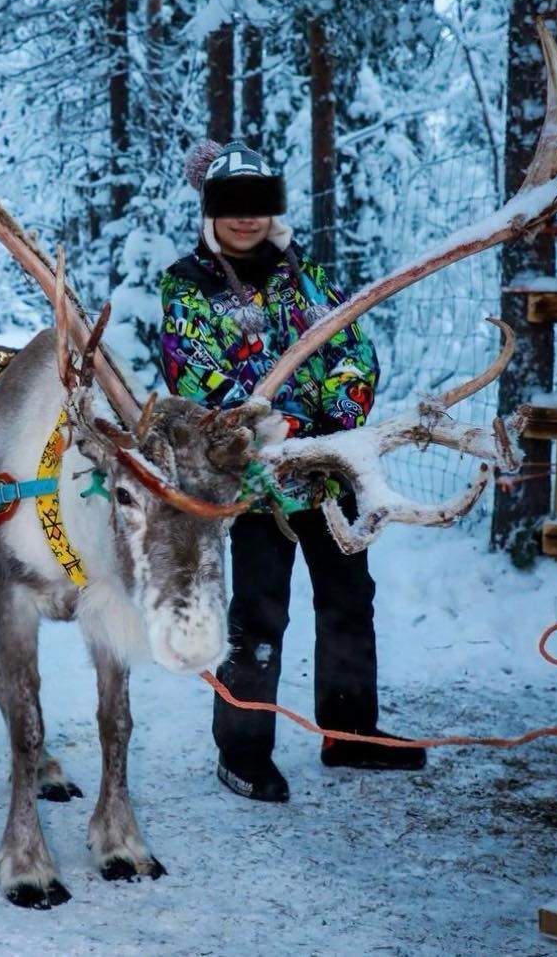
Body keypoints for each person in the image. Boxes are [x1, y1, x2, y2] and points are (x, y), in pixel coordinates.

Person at [159, 139, 425, 804]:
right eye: (232, 206)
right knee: (258, 612)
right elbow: (196, 376)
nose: (246, 219)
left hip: (328, 473)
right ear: (210, 209)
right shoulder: (188, 285)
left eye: (257, 205)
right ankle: (244, 751)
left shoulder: (307, 278)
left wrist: (330, 414)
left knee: (347, 599)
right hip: (254, 482)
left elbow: (355, 352)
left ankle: (350, 732)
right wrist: (279, 426)